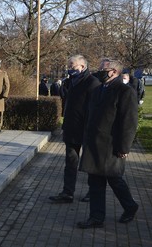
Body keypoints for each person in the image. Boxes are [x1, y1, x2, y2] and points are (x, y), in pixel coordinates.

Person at [77, 58, 139, 229]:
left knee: (115, 181)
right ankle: (96, 218)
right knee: (95, 183)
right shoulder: (98, 90)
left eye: (104, 69)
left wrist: (124, 147)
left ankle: (130, 206)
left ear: (115, 72)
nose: (100, 71)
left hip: (111, 146)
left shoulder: (125, 92)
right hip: (94, 145)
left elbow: (129, 122)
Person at [49, 55, 100, 204]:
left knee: (90, 163)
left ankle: (93, 192)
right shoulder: (70, 82)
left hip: (86, 130)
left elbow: (95, 109)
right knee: (70, 162)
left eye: (73, 66)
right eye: (69, 66)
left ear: (82, 67)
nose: (70, 69)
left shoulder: (92, 83)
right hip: (71, 129)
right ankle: (67, 192)